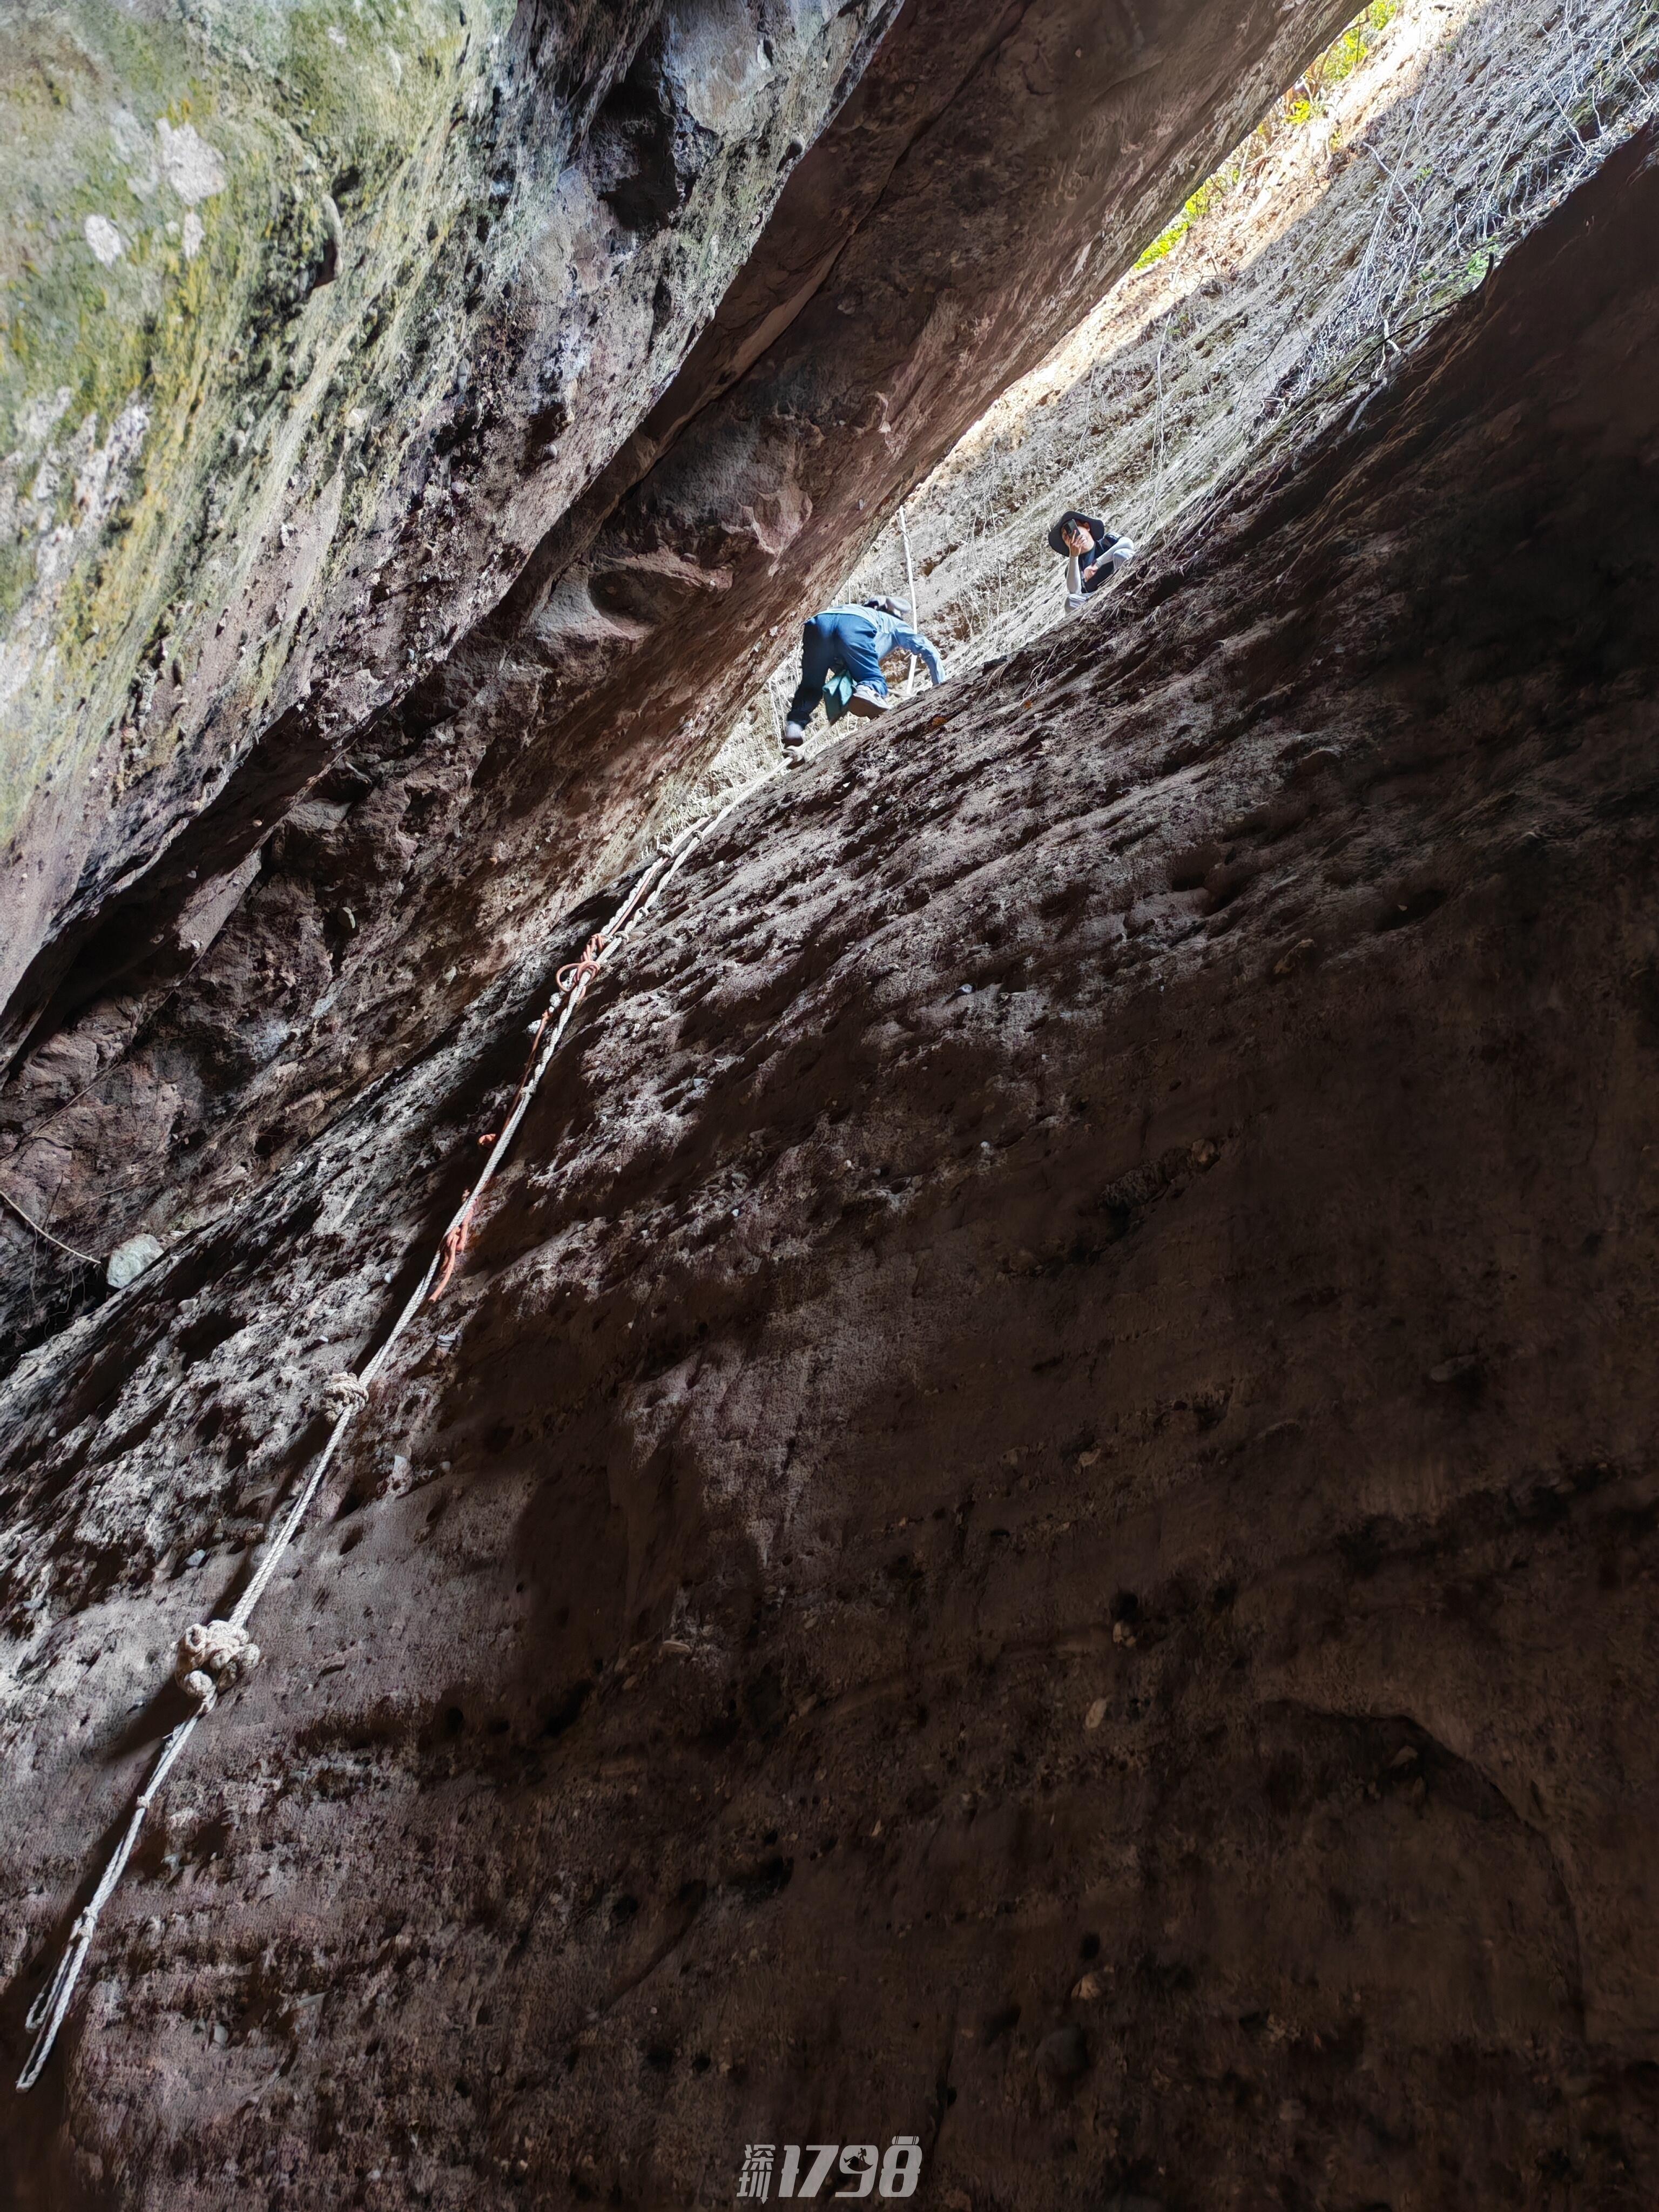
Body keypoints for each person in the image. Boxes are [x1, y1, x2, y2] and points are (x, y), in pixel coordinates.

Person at [781, 596, 943, 750]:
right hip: (854, 625)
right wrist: (941, 686)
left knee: (810, 686)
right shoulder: (891, 622)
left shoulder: (854, 609)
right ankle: (868, 690)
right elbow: (927, 648)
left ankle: (794, 727)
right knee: (873, 680)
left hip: (818, 623)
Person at [1049, 509, 1135, 610]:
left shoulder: (1107, 541)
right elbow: (1074, 592)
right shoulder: (1073, 566)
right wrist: (1074, 556)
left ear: (1087, 527)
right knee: (1070, 601)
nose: (1070, 536)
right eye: (1065, 536)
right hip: (1099, 598)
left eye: (1072, 530)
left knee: (1121, 554)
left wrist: (1097, 564)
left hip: (1123, 580)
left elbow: (1128, 544)